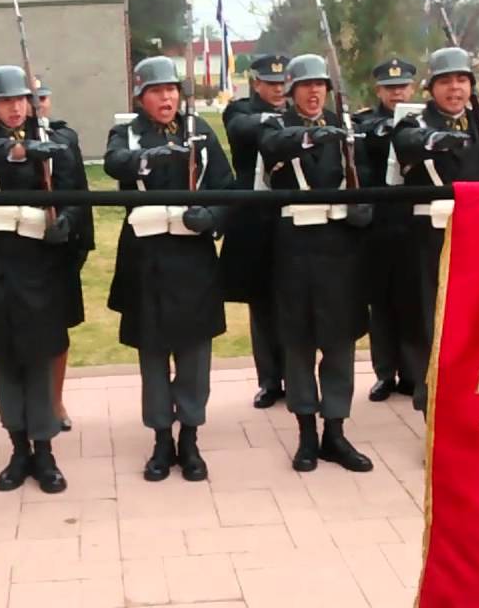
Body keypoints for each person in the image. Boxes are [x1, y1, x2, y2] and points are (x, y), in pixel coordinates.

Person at [105, 56, 235, 482]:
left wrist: (213, 218)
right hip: (147, 258)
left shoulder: (199, 130)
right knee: (153, 353)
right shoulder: (125, 133)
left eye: (172, 90)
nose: (167, 97)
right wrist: (151, 155)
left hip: (192, 255)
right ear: (141, 96)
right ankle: (161, 438)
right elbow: (115, 163)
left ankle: (191, 438)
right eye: (158, 91)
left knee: (195, 353)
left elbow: (226, 187)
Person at [0, 65, 81, 494]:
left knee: (40, 351)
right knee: (4, 356)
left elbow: (73, 191)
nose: (16, 108)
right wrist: (24, 152)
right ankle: (17, 446)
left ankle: (43, 448)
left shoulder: (53, 136)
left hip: (38, 256)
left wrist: (66, 219)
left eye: (22, 100)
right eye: (6, 101)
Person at [257, 54, 373, 472]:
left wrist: (365, 208)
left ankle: (336, 433)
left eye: (320, 85)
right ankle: (306, 434)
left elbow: (366, 173)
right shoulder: (274, 126)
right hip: (295, 249)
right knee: (299, 346)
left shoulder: (347, 130)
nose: (314, 92)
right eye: (305, 86)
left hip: (340, 249)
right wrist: (315, 137)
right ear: (290, 92)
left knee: (340, 346)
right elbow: (272, 146)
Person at [392, 48, 479, 415]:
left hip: (478, 235)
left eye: (462, 80)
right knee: (433, 324)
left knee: (478, 322)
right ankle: (433, 406)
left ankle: (475, 403)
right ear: (430, 88)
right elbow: (406, 143)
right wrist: (436, 140)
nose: (455, 89)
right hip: (431, 235)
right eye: (446, 81)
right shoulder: (413, 123)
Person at [220, 54, 290, 409]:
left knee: (292, 298)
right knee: (261, 302)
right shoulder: (241, 109)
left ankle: (296, 375)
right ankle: (269, 379)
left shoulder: (295, 109)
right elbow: (240, 129)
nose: (278, 89)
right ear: (256, 83)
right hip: (255, 219)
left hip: (290, 214)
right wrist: (272, 120)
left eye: (282, 82)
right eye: (271, 82)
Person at [355, 56, 419, 402]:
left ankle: (412, 372)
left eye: (403, 86)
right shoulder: (366, 122)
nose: (397, 92)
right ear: (378, 89)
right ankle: (384, 373)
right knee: (379, 303)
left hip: (414, 224)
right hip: (379, 224)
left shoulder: (424, 121)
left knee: (412, 301)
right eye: (390, 87)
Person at [33, 79, 93, 432]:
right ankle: (31, 405)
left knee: (58, 330)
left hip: (59, 247)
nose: (38, 104)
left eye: (43, 97)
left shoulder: (63, 138)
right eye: (30, 98)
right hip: (22, 247)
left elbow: (78, 189)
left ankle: (55, 402)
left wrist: (76, 232)